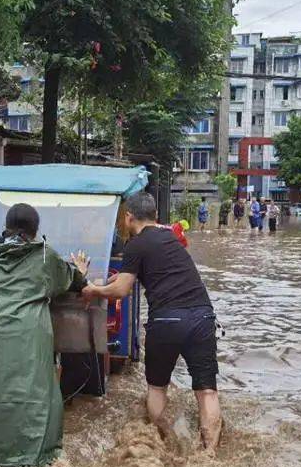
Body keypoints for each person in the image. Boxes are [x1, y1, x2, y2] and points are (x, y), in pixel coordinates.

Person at [0, 203, 89, 467]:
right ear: (35, 229)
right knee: (34, 391)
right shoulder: (44, 256)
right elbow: (69, 279)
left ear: (7, 226)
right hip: (30, 331)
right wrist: (80, 272)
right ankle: (31, 453)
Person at [83, 192, 221, 451]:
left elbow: (122, 289)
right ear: (156, 216)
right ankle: (210, 455)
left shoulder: (135, 244)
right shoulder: (170, 238)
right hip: (202, 317)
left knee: (157, 388)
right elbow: (133, 275)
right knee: (206, 391)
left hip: (167, 320)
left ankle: (165, 446)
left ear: (127, 217)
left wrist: (93, 291)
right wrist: (107, 282)